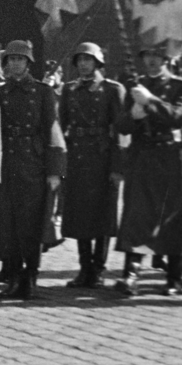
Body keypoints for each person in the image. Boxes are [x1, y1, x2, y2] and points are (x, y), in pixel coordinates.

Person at [115, 45, 182, 296]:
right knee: (137, 214)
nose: (152, 61)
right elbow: (121, 126)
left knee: (172, 216)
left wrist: (150, 101)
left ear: (166, 59)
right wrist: (134, 113)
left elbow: (178, 116)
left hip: (171, 156)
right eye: (147, 56)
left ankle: (174, 276)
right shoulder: (135, 84)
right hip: (142, 156)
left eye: (157, 56)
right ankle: (131, 274)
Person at [0, 40, 64, 301]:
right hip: (6, 163)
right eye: (11, 59)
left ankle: (30, 277)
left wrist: (54, 171)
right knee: (8, 222)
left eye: (21, 59)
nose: (16, 64)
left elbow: (52, 131)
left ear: (29, 63)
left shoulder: (43, 93)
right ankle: (13, 276)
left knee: (31, 223)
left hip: (33, 164)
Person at [58, 42, 123, 288]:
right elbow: (62, 127)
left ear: (98, 62)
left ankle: (98, 267)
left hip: (102, 158)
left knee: (102, 215)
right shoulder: (69, 90)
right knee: (80, 215)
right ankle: (84, 267)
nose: (84, 64)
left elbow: (120, 133)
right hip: (77, 158)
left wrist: (117, 167)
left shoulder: (111, 90)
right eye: (80, 60)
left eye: (88, 59)